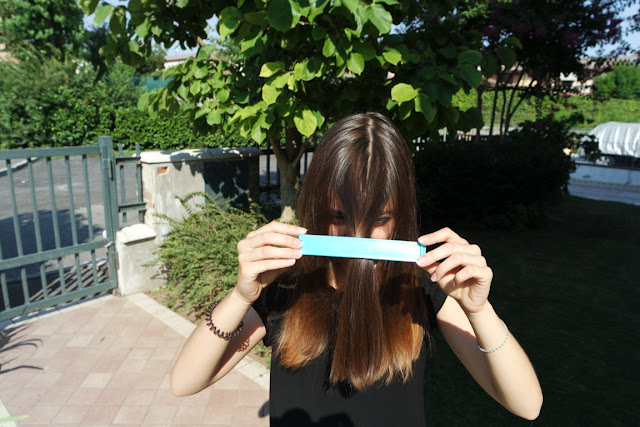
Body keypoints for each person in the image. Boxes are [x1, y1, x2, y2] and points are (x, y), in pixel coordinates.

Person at [170, 112, 543, 426]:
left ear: (400, 215)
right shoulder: (287, 285)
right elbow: (185, 382)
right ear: (317, 206)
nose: (358, 235)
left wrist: (479, 310)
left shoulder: (419, 287)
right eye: (338, 216)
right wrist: (240, 296)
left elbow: (527, 405)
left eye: (379, 219)